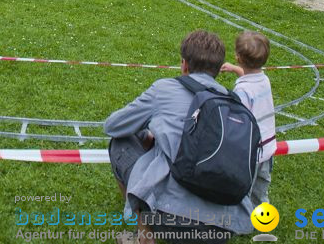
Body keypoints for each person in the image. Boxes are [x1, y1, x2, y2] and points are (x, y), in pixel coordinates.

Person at [105, 30, 253, 244]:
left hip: (172, 218)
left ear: (184, 64)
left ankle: (144, 237)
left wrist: (148, 134)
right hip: (226, 224)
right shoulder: (235, 103)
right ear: (218, 70)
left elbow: (113, 125)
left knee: (121, 142)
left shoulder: (165, 88)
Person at [221, 31, 276, 207]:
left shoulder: (243, 91)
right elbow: (250, 78)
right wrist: (237, 70)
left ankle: (241, 221)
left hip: (251, 153)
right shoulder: (264, 80)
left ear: (238, 57)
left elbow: (239, 123)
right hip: (268, 149)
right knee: (261, 190)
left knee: (244, 188)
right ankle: (263, 220)